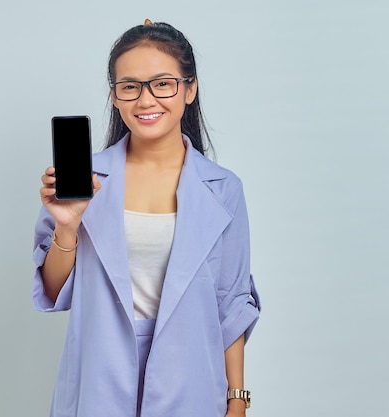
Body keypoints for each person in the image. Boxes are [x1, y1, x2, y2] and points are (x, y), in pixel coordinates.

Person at [33, 20, 261, 417]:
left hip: (191, 379)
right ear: (115, 96)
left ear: (189, 89)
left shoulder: (223, 189)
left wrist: (237, 400)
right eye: (130, 86)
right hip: (99, 378)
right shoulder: (87, 181)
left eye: (162, 83)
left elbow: (232, 302)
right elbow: (54, 291)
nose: (145, 100)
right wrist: (67, 226)